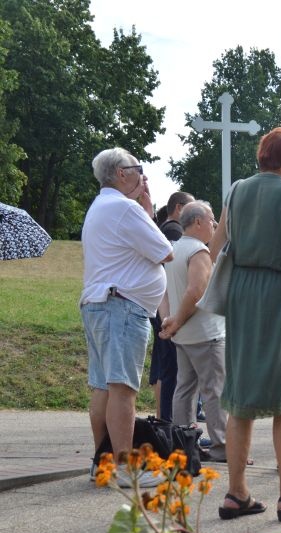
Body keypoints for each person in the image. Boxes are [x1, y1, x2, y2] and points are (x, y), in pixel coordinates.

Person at [208, 127, 281, 522]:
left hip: (241, 293)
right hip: (279, 296)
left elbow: (215, 245)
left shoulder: (237, 190)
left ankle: (236, 493)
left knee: (239, 398)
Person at [81, 148, 173, 488]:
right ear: (122, 173)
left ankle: (102, 462)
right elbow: (166, 251)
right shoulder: (124, 207)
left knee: (104, 386)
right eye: (138, 169)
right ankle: (125, 468)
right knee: (123, 388)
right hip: (121, 305)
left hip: (101, 303)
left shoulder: (101, 205)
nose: (142, 177)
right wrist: (147, 212)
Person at [158, 201, 227, 462]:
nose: (215, 226)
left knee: (184, 389)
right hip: (205, 333)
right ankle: (222, 446)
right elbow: (197, 291)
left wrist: (169, 321)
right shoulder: (199, 251)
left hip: (183, 335)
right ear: (197, 222)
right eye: (211, 221)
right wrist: (175, 321)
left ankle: (182, 444)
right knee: (214, 391)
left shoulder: (175, 250)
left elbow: (163, 292)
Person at [149, 191, 195, 421]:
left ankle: (165, 421)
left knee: (164, 369)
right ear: (179, 208)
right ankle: (171, 424)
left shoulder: (165, 229)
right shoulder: (175, 231)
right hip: (168, 307)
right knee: (173, 372)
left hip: (161, 306)